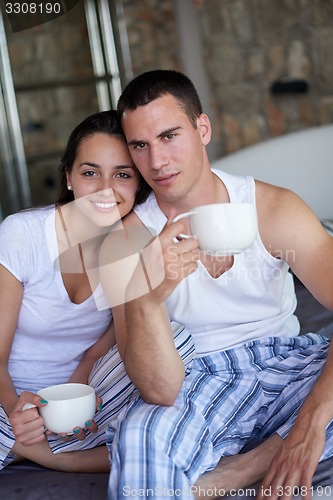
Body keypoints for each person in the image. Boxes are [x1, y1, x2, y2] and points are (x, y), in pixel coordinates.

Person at [101, 70, 333, 499]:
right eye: (140, 145)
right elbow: (159, 389)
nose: (157, 162)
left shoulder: (272, 207)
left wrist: (310, 426)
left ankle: (239, 470)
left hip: (288, 364)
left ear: (202, 129)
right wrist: (150, 297)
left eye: (170, 136)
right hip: (195, 382)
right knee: (138, 438)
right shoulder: (124, 242)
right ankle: (262, 456)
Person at [0, 109, 195, 474]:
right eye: (91, 173)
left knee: (175, 339)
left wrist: (79, 395)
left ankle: (48, 446)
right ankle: (50, 453)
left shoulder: (132, 241)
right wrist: (16, 409)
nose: (106, 189)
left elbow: (115, 344)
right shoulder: (22, 234)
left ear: (138, 184)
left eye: (122, 175)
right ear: (69, 178)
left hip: (87, 390)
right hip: (9, 395)